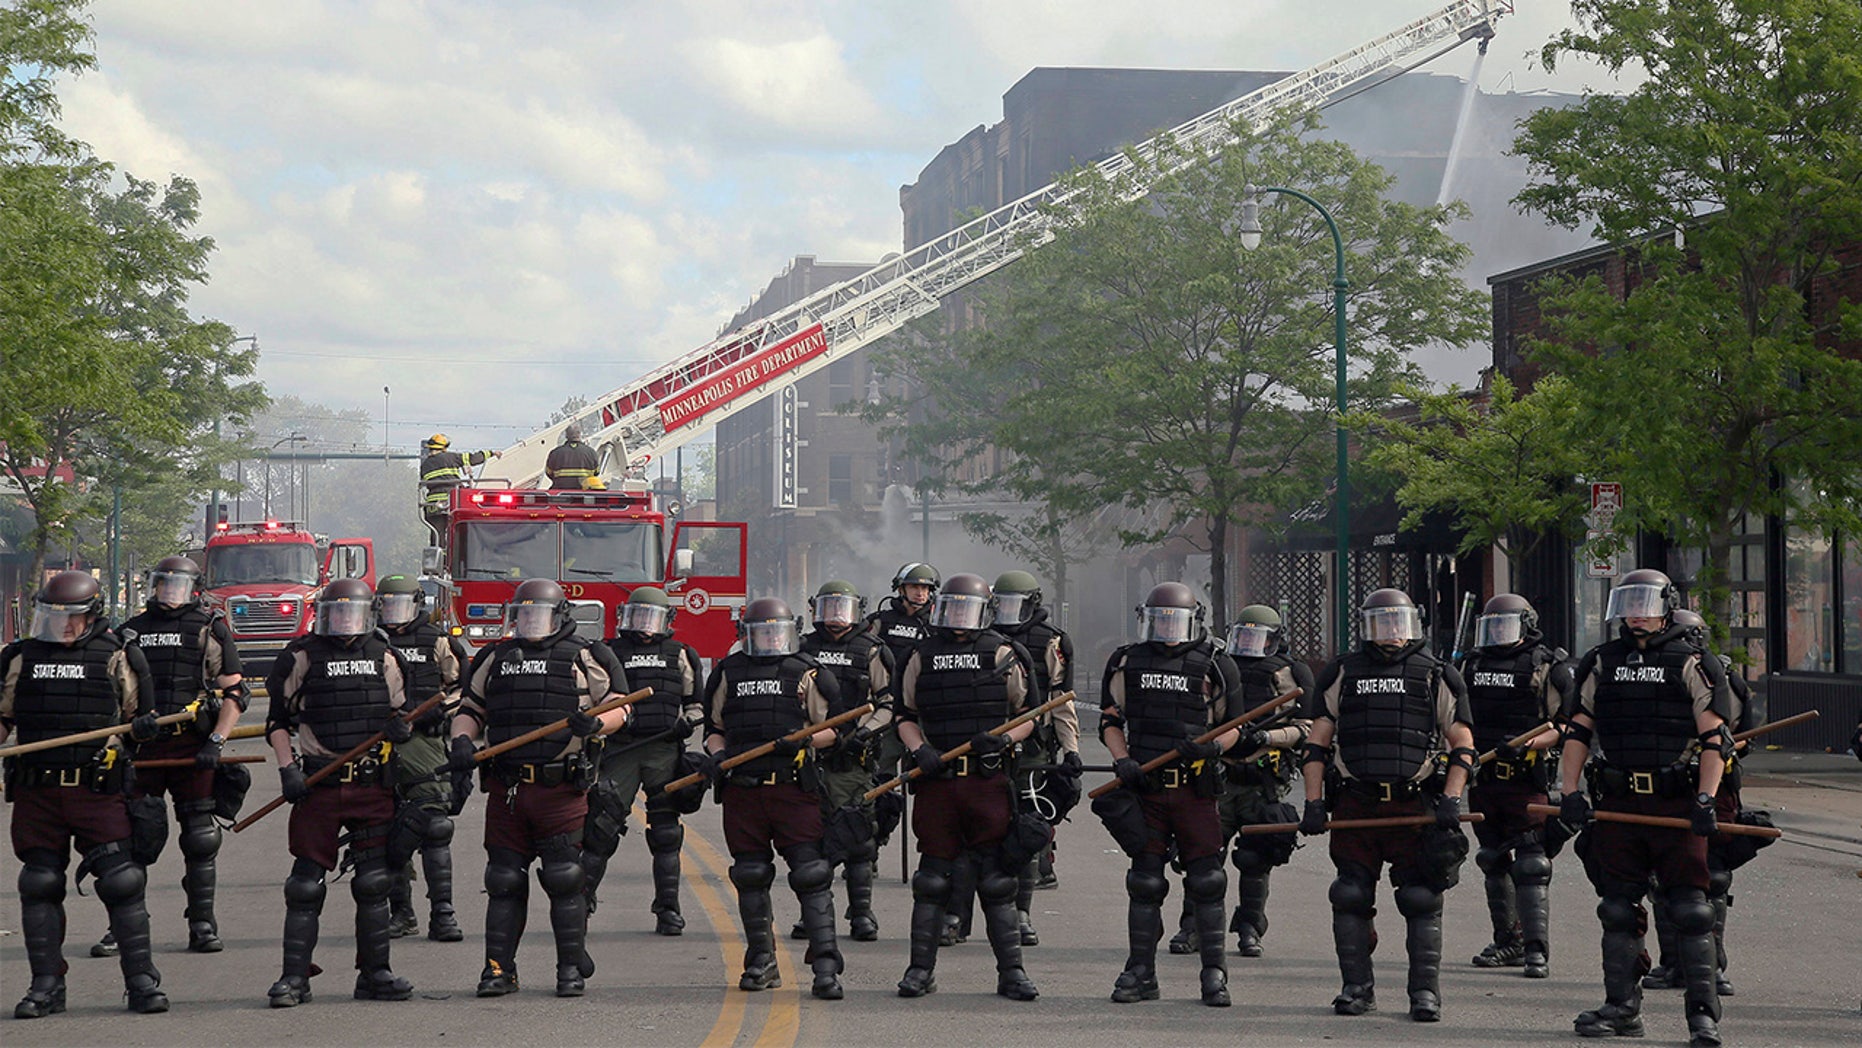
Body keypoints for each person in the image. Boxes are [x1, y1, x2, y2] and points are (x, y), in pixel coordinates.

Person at [1557, 568, 1731, 1047]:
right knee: (1617, 908)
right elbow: (1578, 731)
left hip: (1675, 803)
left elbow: (1714, 737)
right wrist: (1569, 791)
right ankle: (1622, 1009)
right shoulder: (1601, 661)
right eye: (1628, 604)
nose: (1636, 614)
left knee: (1692, 910)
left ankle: (1702, 1017)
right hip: (1619, 801)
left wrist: (1705, 799)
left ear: (1666, 606)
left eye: (1644, 604)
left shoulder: (1692, 660)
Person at [447, 579, 631, 998]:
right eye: (524, 615)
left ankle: (570, 970)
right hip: (508, 788)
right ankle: (498, 970)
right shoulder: (495, 657)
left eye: (539, 615)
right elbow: (470, 709)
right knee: (504, 879)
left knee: (565, 878)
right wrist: (461, 739)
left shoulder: (587, 656)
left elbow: (623, 705)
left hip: (560, 788)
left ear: (560, 616)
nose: (531, 623)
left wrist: (597, 723)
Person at [1299, 587, 1475, 1023]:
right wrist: (1314, 804)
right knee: (1350, 894)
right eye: (1381, 623)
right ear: (1367, 627)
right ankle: (1356, 989)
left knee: (1420, 898)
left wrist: (1452, 799)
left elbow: (1464, 745)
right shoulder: (1342, 672)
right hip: (1356, 805)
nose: (1391, 633)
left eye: (1398, 623)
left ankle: (1424, 994)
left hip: (1413, 807)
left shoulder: (1436, 674)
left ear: (1412, 624)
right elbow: (1317, 745)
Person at [1, 571, 169, 1017]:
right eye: (52, 618)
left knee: (122, 881)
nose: (62, 626)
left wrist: (144, 730)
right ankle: (46, 987)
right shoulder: (21, 657)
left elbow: (141, 721)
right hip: (39, 790)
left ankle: (142, 984)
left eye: (70, 618)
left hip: (96, 787)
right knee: (39, 883)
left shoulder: (117, 655)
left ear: (92, 614)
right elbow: (3, 718)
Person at [262, 577, 415, 1007]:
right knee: (305, 885)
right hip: (318, 784)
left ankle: (375, 974)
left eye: (353, 613)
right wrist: (286, 769)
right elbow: (277, 722)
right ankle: (294, 978)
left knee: (373, 882)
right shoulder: (301, 656)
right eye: (337, 613)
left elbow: (403, 711)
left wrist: (401, 729)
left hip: (371, 784)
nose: (345, 622)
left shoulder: (384, 655)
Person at [892, 573, 1038, 1001]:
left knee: (996, 880)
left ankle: (1012, 973)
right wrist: (920, 751)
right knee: (933, 880)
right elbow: (904, 715)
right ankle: (920, 970)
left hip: (987, 778)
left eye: (966, 610)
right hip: (937, 781)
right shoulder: (921, 654)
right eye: (951, 609)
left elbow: (1028, 714)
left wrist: (1005, 739)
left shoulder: (1004, 654)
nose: (957, 620)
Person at [691, 597, 847, 999]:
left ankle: (826, 968)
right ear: (745, 635)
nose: (769, 640)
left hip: (793, 788)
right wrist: (718, 754)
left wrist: (802, 740)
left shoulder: (806, 673)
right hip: (744, 791)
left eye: (776, 632)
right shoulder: (730, 672)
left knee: (811, 876)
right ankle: (762, 960)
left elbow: (834, 729)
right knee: (750, 875)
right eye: (760, 633)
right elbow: (715, 727)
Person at [1100, 581, 1242, 1007]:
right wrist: (1122, 759)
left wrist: (1212, 746)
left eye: (1174, 621)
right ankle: (1140, 972)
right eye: (1158, 621)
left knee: (1207, 879)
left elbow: (1235, 726)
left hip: (1194, 788)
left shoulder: (1216, 664)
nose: (1166, 629)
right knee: (1144, 881)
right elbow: (1111, 719)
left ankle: (1214, 974)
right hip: (1145, 788)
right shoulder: (1127, 661)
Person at [99, 556, 247, 958]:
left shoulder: (207, 629)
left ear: (193, 588)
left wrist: (216, 741)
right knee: (129, 837)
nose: (168, 592)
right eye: (162, 584)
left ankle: (201, 924)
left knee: (200, 837)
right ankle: (123, 926)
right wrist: (128, 727)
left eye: (177, 585)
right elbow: (109, 693)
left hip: (190, 745)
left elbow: (235, 693)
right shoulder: (130, 631)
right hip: (143, 747)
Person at [1170, 603, 1314, 960]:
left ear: (1276, 640)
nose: (1249, 644)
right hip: (1219, 776)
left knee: (1256, 860)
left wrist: (1267, 739)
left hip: (1264, 779)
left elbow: (1307, 729)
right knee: (1203, 856)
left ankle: (1250, 928)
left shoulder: (1291, 674)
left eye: (1257, 637)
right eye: (1243, 636)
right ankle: (1193, 927)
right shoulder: (1219, 668)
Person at [1461, 593, 1570, 979]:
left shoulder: (1546, 667)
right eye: (1492, 627)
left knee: (1531, 864)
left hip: (1525, 779)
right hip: (1484, 779)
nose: (1498, 635)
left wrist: (1526, 743)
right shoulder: (1471, 665)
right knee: (1492, 859)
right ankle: (1507, 941)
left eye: (1505, 626)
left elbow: (1564, 726)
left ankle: (1535, 949)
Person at [585, 585, 705, 934]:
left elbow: (695, 704)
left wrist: (689, 723)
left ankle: (668, 909)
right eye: (637, 617)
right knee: (601, 828)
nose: (644, 626)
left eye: (651, 618)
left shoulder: (681, 653)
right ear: (624, 616)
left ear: (668, 620)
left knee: (666, 832)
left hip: (663, 750)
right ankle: (581, 898)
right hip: (619, 749)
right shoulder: (608, 651)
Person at [1644, 607, 1750, 998]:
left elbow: (1741, 735)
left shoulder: (1719, 676)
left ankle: (1712, 969)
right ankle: (1673, 962)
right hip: (1668, 787)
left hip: (1714, 787)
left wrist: (1707, 753)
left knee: (1713, 877)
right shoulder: (1659, 671)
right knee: (1662, 877)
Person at [797, 580, 894, 942]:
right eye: (829, 609)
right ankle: (814, 915)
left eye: (844, 609)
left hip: (853, 759)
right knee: (811, 838)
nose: (836, 618)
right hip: (808, 757)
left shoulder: (871, 650)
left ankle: (862, 914)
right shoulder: (803, 648)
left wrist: (863, 735)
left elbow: (887, 705)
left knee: (858, 836)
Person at [375, 574, 467, 943]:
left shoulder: (437, 641)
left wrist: (440, 713)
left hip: (426, 742)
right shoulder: (369, 644)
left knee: (434, 826)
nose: (395, 616)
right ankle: (401, 912)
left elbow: (459, 688)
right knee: (388, 826)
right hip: (380, 743)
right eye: (388, 607)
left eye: (402, 606)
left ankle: (442, 913)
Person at [991, 570, 1080, 943]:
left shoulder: (1050, 641)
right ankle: (956, 915)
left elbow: (1062, 702)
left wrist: (1072, 750)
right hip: (987, 746)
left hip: (1032, 749)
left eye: (1016, 605)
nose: (1008, 613)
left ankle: (1022, 913)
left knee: (1027, 830)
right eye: (1002, 605)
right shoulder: (983, 639)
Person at [863, 562, 939, 778]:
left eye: (925, 588)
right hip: (887, 702)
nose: (920, 593)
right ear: (901, 589)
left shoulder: (937, 623)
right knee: (881, 763)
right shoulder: (881, 621)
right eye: (914, 587)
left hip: (922, 702)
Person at [419, 433, 498, 539]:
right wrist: (491, 453)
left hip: (433, 506)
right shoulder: (451, 457)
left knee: (437, 536)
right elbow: (473, 459)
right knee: (458, 531)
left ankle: (439, 554)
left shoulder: (425, 465)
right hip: (453, 501)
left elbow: (424, 482)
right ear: (444, 447)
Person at [545, 423, 600, 490]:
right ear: (579, 434)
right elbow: (597, 472)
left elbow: (549, 472)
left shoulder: (555, 453)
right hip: (585, 492)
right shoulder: (591, 452)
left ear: (566, 436)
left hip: (560, 493)